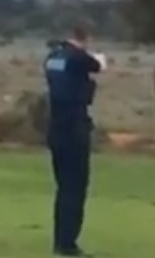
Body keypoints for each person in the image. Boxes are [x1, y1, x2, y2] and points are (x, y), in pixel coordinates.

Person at [43, 25, 105, 257]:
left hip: (55, 128)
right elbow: (97, 66)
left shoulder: (52, 58)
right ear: (84, 38)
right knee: (75, 188)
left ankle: (61, 239)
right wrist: (96, 57)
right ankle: (67, 243)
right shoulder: (78, 57)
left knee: (63, 188)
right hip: (74, 129)